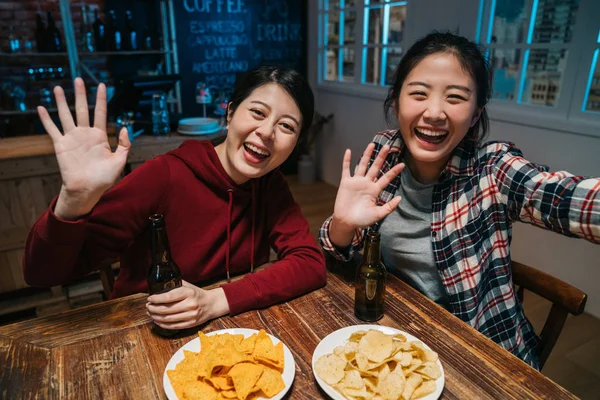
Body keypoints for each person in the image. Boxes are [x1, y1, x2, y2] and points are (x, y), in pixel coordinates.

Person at [319, 32, 600, 369]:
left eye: (455, 97)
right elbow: (338, 253)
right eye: (419, 94)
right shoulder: (384, 152)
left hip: (480, 354)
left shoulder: (492, 168)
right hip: (399, 327)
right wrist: (343, 226)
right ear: (396, 104)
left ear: (476, 113)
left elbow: (565, 199)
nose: (434, 112)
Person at [24, 66, 326, 331]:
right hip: (147, 329)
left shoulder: (269, 183)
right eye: (258, 112)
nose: (267, 132)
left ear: (295, 143)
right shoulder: (164, 175)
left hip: (234, 324)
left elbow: (310, 263)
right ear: (231, 113)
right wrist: (72, 203)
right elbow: (42, 274)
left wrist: (215, 301)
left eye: (286, 126)